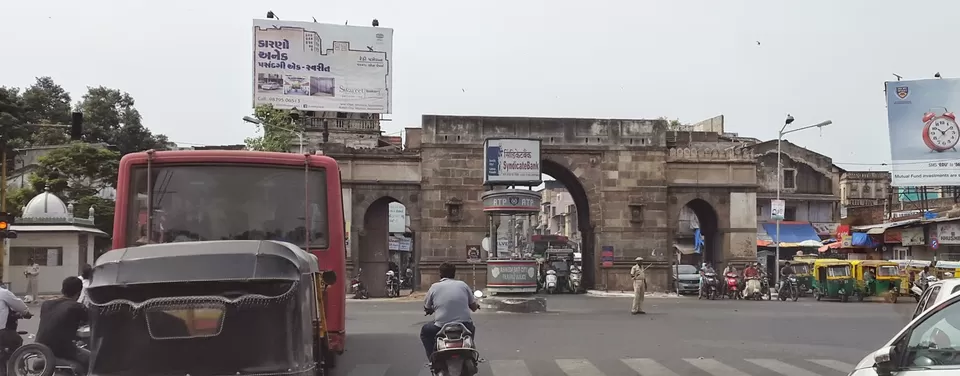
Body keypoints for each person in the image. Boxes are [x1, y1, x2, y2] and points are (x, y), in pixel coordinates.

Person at [420, 262, 479, 366]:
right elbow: (473, 307)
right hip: (464, 325)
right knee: (471, 329)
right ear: (454, 273)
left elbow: (427, 307)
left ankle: (432, 359)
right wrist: (475, 306)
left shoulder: (434, 287)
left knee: (425, 332)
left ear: (440, 274)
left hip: (441, 326)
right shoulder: (463, 285)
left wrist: (429, 310)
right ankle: (470, 354)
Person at [35, 277, 89, 373]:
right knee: (92, 359)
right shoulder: (77, 307)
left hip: (39, 349)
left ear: (62, 289)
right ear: (79, 293)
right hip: (62, 351)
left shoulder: (46, 304)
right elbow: (92, 322)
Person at [0, 283, 32, 352]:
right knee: (17, 340)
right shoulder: (3, 293)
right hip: (1, 331)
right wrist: (26, 313)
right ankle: (13, 361)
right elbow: (19, 305)